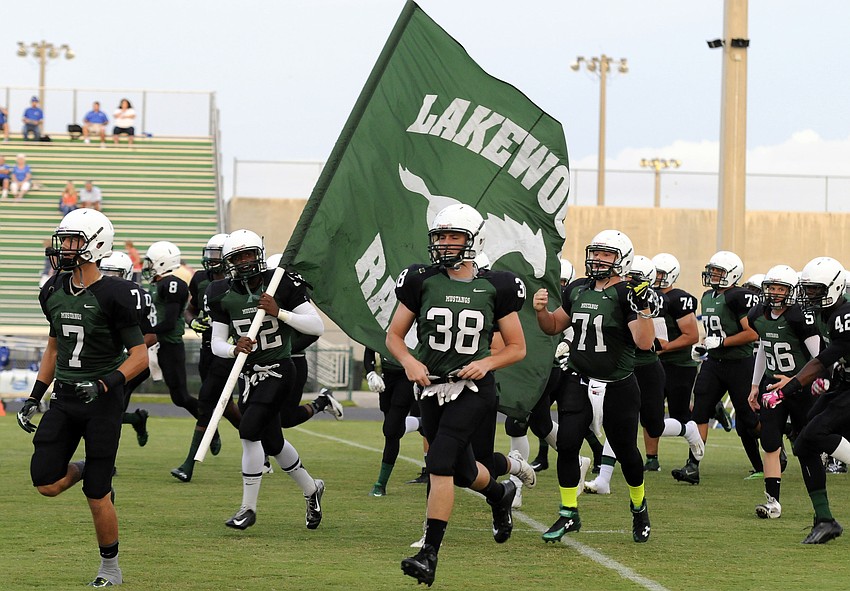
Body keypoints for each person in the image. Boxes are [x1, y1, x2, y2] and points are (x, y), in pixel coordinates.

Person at [387, 204, 525, 586]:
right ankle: (500, 493)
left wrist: (488, 363)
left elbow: (516, 347)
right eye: (441, 236)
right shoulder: (420, 279)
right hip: (430, 387)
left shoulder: (496, 284)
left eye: (454, 237)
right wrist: (410, 363)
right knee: (463, 472)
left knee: (441, 461)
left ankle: (429, 554)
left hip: (473, 388)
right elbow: (394, 336)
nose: (446, 244)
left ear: (472, 240)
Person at [15, 208, 148, 587]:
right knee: (46, 483)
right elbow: (53, 349)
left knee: (97, 494)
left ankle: (110, 569)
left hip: (102, 401)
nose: (65, 247)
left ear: (96, 245)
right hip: (66, 398)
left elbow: (140, 357)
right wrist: (34, 396)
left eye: (73, 240)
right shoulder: (53, 290)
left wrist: (105, 384)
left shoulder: (116, 293)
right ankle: (89, 467)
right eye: (65, 240)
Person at [534, 229, 654, 545]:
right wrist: (540, 311)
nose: (597, 259)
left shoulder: (627, 294)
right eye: (595, 252)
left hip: (617, 384)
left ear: (622, 259)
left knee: (627, 452)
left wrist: (644, 310)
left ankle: (639, 506)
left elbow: (644, 342)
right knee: (569, 443)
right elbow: (552, 327)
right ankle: (568, 512)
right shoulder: (576, 289)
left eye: (606, 254)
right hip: (578, 378)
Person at [207, 229, 327, 530]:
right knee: (273, 441)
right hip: (249, 374)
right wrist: (234, 348)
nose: (246, 261)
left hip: (280, 369)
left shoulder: (280, 282)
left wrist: (280, 312)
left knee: (248, 431)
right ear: (229, 262)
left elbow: (316, 326)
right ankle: (312, 489)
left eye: (250, 254)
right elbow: (216, 343)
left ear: (259, 255)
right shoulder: (220, 293)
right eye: (238, 257)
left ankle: (248, 509)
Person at [583, 255, 703, 494]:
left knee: (654, 426)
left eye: (634, 278)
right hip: (622, 368)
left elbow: (655, 342)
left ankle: (688, 430)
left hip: (647, 368)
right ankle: (604, 480)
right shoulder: (613, 294)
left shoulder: (654, 300)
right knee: (616, 421)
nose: (628, 281)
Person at [763, 256, 850, 543]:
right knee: (803, 443)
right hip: (842, 383)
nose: (810, 296)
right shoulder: (826, 314)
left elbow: (823, 358)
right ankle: (824, 519)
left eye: (816, 290)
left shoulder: (844, 314)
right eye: (808, 290)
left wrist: (787, 388)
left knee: (815, 432)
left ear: (835, 287)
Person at [671, 251, 761, 485]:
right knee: (699, 411)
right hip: (715, 363)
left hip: (740, 364)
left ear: (732, 273)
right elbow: (715, 332)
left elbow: (752, 333)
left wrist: (722, 342)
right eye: (712, 270)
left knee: (749, 420)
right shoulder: (707, 296)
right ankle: (693, 465)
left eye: (719, 271)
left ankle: (775, 445)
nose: (713, 275)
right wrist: (705, 346)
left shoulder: (738, 296)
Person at [746, 264, 820, 519]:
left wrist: (794, 380)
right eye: (772, 288)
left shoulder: (799, 316)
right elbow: (764, 350)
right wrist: (755, 385)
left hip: (801, 388)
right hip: (772, 389)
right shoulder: (758, 314)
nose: (775, 293)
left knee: (810, 443)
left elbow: (819, 357)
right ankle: (772, 503)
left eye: (781, 289)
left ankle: (820, 504)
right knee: (769, 443)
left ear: (791, 291)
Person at [171, 233, 241, 482]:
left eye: (216, 255)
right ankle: (263, 443)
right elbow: (190, 309)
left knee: (206, 401)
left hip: (228, 351)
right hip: (206, 350)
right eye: (209, 255)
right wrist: (193, 321)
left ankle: (189, 464)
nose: (211, 261)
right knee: (226, 405)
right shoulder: (201, 279)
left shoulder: (238, 282)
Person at [644, 252, 701, 471]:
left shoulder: (679, 298)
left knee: (680, 414)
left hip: (678, 365)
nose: (656, 277)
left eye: (661, 273)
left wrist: (666, 346)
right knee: (650, 410)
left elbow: (691, 335)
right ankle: (651, 458)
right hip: (653, 363)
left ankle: (693, 458)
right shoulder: (646, 295)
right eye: (654, 273)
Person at [99, 251, 157, 448]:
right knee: (108, 413)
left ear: (126, 274)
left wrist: (126, 353)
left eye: (113, 274)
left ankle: (106, 461)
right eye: (104, 273)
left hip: (131, 364)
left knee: (108, 413)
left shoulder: (135, 297)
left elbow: (150, 335)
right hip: (111, 363)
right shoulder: (95, 294)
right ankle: (136, 419)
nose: (108, 279)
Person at [142, 241, 198, 425]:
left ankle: (208, 423)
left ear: (162, 262)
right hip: (152, 345)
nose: (147, 267)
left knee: (180, 396)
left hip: (168, 345)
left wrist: (144, 333)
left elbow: (169, 323)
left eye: (150, 262)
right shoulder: (156, 285)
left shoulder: (173, 284)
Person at [364, 346, 422, 497]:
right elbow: (369, 343)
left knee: (390, 431)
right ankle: (420, 423)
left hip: (407, 375)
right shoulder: (383, 323)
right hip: (386, 374)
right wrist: (370, 372)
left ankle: (380, 484)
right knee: (393, 427)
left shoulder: (412, 323)